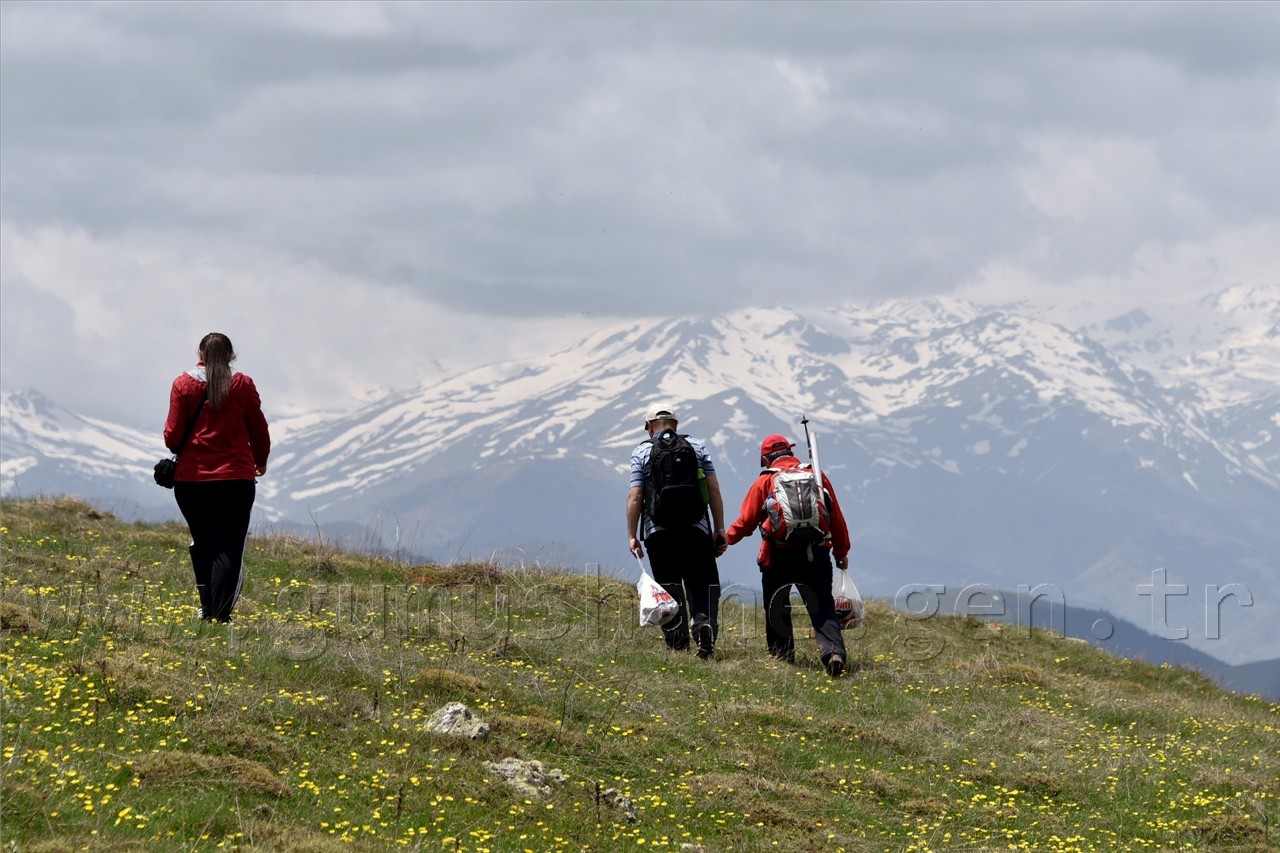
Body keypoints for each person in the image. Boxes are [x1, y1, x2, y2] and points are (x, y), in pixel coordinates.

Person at [164, 332, 270, 623]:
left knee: (203, 543)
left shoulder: (182, 385)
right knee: (227, 547)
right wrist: (260, 460)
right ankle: (220, 615)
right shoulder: (242, 385)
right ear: (231, 355)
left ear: (199, 353)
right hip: (235, 479)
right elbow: (259, 428)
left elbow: (172, 438)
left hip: (191, 481)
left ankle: (207, 607)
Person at [726, 434, 851, 676]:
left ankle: (782, 658)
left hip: (778, 555)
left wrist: (725, 540)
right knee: (823, 606)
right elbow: (835, 517)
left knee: (777, 606)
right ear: (790, 452)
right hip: (816, 552)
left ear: (766, 458)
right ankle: (833, 651)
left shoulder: (766, 481)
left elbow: (746, 521)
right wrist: (841, 551)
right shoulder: (815, 475)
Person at [627, 402, 728, 659]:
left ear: (649, 428)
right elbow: (714, 490)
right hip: (696, 529)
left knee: (669, 586)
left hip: (658, 533)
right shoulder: (696, 446)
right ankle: (704, 624)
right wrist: (718, 529)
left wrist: (632, 535)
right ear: (676, 425)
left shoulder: (641, 453)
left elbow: (636, 496)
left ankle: (678, 646)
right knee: (702, 583)